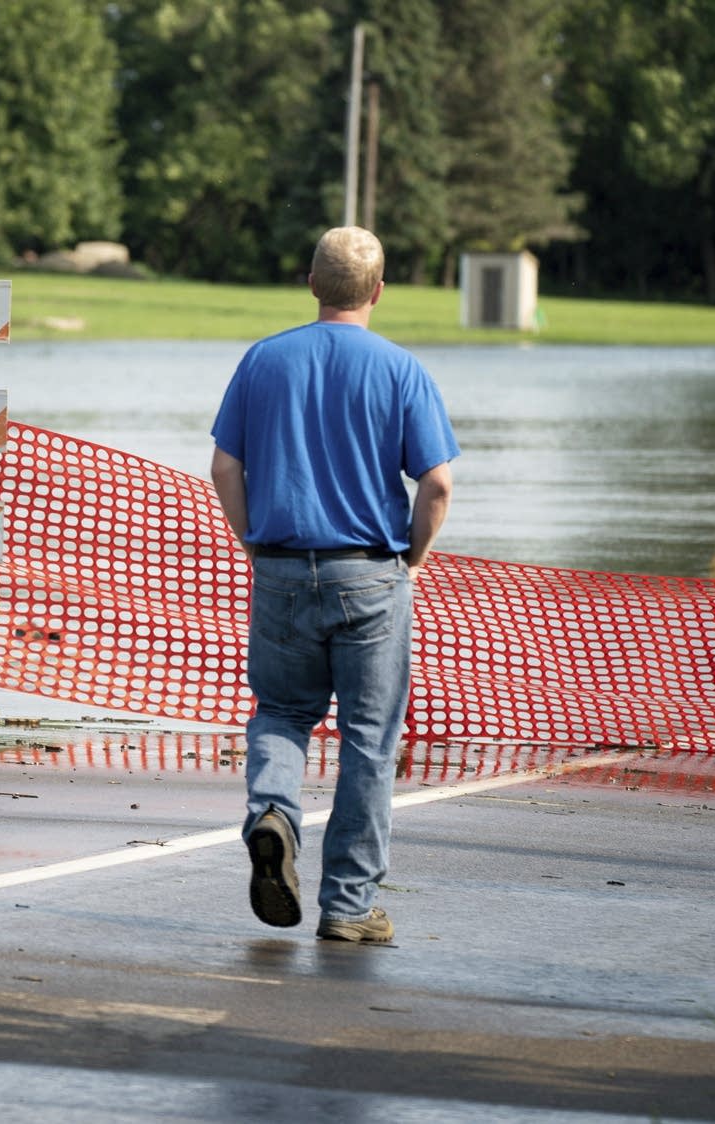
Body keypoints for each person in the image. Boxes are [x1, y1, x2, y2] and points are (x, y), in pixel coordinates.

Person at [209, 225, 457, 942]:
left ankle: (274, 815)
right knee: (369, 741)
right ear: (378, 291)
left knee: (283, 714)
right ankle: (348, 908)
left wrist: (254, 541)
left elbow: (225, 468)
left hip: (283, 567)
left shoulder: (264, 360)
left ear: (311, 283)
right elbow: (436, 483)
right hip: (370, 574)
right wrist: (411, 557)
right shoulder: (401, 369)